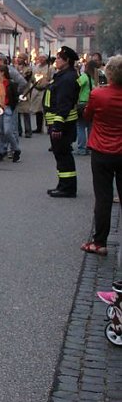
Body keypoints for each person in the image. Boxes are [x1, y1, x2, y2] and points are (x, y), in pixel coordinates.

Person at [80, 55, 122, 255]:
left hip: (101, 150)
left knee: (103, 197)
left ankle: (100, 242)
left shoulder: (98, 94)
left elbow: (87, 115)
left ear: (110, 74)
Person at [45, 46, 80, 198]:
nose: (56, 60)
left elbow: (64, 104)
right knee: (61, 155)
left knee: (63, 155)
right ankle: (63, 184)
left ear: (67, 61)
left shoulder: (67, 78)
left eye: (59, 58)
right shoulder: (63, 75)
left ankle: (67, 188)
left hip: (62, 124)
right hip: (59, 122)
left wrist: (57, 125)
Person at [0, 66, 21, 163]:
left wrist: (12, 106)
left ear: (2, 73)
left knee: (7, 131)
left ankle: (16, 149)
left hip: (7, 108)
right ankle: (1, 151)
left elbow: (15, 96)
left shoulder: (11, 84)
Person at [76, 60, 99, 155]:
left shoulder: (84, 77)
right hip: (93, 103)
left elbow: (76, 85)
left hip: (82, 103)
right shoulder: (96, 78)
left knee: (80, 126)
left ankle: (81, 148)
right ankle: (90, 147)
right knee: (90, 127)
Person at [31, 54, 54, 134]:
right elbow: (32, 78)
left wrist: (48, 83)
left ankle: (49, 127)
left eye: (43, 58)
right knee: (38, 110)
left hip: (45, 90)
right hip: (37, 89)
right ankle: (39, 127)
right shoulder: (36, 67)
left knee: (46, 110)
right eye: (40, 57)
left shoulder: (50, 68)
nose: (41, 59)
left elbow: (53, 79)